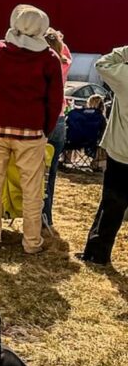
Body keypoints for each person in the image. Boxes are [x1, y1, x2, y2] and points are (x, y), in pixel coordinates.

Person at [0, 5, 63, 254]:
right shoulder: (49, 58)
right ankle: (31, 242)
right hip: (31, 132)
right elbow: (55, 99)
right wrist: (45, 130)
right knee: (32, 189)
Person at [78, 46, 128, 266]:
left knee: (112, 204)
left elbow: (102, 64)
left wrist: (124, 51)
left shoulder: (125, 77)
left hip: (123, 152)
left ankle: (97, 254)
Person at [42, 28, 72, 226]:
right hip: (59, 120)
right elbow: (65, 51)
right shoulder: (65, 63)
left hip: (41, 118)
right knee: (49, 174)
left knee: (27, 170)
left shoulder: (42, 63)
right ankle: (45, 217)